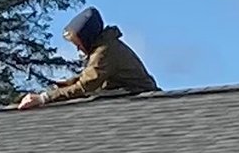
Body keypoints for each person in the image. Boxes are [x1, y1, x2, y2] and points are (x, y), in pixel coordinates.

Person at [18, 6, 157, 107]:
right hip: (128, 98)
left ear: (87, 38)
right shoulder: (105, 46)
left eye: (79, 44)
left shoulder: (104, 52)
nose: (78, 48)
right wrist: (64, 84)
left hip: (140, 101)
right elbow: (89, 76)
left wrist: (44, 98)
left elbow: (85, 86)